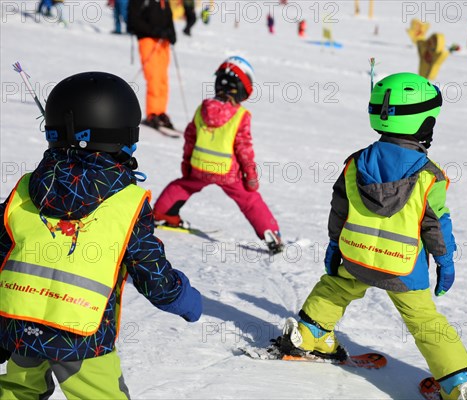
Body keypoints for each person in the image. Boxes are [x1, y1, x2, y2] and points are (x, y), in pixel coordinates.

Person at [0, 71, 203, 399]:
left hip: (20, 325)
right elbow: (151, 273)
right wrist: (184, 299)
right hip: (81, 336)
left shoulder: (24, 189)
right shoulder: (127, 202)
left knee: (16, 391)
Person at [278, 73, 467, 400]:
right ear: (421, 123)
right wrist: (445, 261)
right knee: (425, 320)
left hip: (357, 255)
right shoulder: (430, 175)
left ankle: (307, 334)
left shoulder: (355, 163)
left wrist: (333, 244)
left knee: (335, 287)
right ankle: (456, 385)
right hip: (403, 267)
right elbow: (436, 225)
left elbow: (339, 209)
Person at [153, 57, 284, 254]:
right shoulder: (241, 115)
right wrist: (250, 176)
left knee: (183, 185)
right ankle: (270, 233)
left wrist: (187, 164)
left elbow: (190, 138)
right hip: (227, 171)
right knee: (249, 200)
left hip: (199, 166)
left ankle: (162, 213)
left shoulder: (202, 109)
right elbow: (244, 149)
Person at [128, 0, 177, 130]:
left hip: (163, 42)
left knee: (163, 79)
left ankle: (161, 111)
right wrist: (154, 31)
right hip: (148, 40)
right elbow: (134, 20)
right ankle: (152, 112)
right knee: (153, 77)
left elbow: (168, 16)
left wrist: (172, 33)